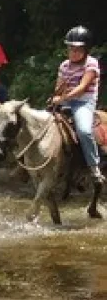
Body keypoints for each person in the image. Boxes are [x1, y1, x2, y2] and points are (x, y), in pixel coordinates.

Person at [50, 26, 102, 183]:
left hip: (83, 102)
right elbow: (58, 87)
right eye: (71, 48)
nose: (73, 52)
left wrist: (63, 98)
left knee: (84, 131)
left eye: (78, 49)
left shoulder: (91, 63)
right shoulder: (64, 65)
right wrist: (56, 96)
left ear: (86, 50)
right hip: (65, 101)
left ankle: (94, 167)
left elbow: (82, 88)